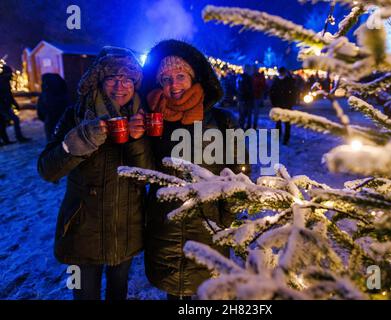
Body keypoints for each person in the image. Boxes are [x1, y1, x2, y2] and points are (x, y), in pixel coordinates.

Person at [37, 46, 152, 300]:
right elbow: (47, 169)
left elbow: (148, 177)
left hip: (126, 228)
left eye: (128, 79)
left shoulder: (144, 117)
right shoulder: (76, 114)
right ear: (99, 80)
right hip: (83, 229)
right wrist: (77, 143)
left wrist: (136, 140)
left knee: (117, 292)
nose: (120, 85)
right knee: (85, 294)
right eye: (112, 77)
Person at [137, 39, 247, 300]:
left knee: (209, 293)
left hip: (209, 225)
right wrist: (136, 136)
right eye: (165, 79)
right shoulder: (154, 120)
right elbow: (142, 171)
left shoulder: (223, 120)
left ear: (194, 76)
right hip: (166, 224)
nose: (173, 85)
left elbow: (239, 173)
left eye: (179, 76)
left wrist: (226, 217)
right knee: (174, 292)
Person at [0, 64, 31, 143]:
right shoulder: (2, 82)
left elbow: (9, 95)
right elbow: (5, 95)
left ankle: (6, 140)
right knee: (13, 120)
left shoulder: (5, 81)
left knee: (3, 123)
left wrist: (14, 104)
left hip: (5, 105)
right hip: (3, 106)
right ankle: (18, 137)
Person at [269, 67, 298, 145]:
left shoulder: (288, 81)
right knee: (279, 123)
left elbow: (293, 93)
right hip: (279, 104)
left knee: (286, 123)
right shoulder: (277, 81)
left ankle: (285, 139)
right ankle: (280, 138)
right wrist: (274, 103)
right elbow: (272, 93)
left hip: (286, 105)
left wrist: (291, 102)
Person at [37, 73, 70, 141]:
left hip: (50, 120)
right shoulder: (62, 90)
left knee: (52, 141)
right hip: (63, 119)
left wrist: (45, 118)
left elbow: (40, 109)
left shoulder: (45, 93)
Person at [236, 64, 254, 129]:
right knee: (246, 115)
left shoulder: (240, 77)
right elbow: (249, 89)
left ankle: (241, 128)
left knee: (242, 115)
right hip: (246, 99)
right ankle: (245, 128)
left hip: (241, 98)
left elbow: (237, 88)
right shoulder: (248, 78)